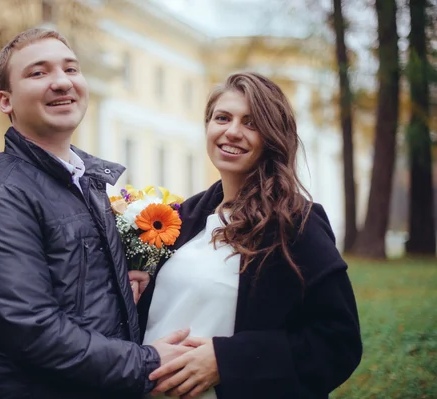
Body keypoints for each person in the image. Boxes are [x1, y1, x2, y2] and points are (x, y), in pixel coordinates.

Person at [0, 28, 190, 399]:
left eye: (71, 69)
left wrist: (120, 284)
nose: (62, 82)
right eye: (38, 73)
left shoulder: (87, 181)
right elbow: (32, 331)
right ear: (6, 100)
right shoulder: (1, 196)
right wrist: (147, 363)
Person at [137, 72, 363, 399]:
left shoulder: (295, 225)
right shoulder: (181, 218)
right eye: (222, 118)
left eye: (251, 123)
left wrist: (226, 361)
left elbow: (336, 344)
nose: (232, 131)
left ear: (272, 137)